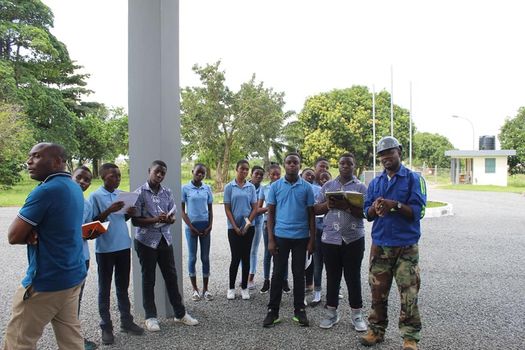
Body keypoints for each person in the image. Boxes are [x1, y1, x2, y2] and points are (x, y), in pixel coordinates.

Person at [4, 143, 87, 350]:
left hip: (46, 282)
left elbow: (13, 236)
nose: (29, 161)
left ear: (58, 161)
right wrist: (33, 232)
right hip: (72, 276)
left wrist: (29, 233)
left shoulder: (46, 191)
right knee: (72, 341)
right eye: (29, 156)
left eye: (37, 156)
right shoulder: (74, 187)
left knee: (18, 342)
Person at [360, 136, 426, 350]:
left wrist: (395, 205)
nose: (385, 157)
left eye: (389, 152)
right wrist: (375, 209)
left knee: (409, 294)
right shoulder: (376, 182)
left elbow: (418, 212)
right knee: (377, 292)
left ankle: (410, 337)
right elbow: (367, 213)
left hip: (406, 247)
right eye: (381, 154)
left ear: (399, 151)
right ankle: (376, 331)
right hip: (380, 246)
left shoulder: (413, 179)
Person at [132, 160, 198, 332]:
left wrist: (169, 219)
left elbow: (173, 214)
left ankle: (180, 314)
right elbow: (135, 220)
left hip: (164, 240)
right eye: (157, 172)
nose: (160, 175)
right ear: (149, 171)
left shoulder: (167, 192)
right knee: (149, 279)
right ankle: (150, 317)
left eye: (163, 173)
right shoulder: (139, 193)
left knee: (171, 277)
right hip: (146, 242)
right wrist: (156, 219)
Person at [89, 163, 144, 345]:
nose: (118, 178)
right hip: (105, 249)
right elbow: (92, 222)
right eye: (114, 175)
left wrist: (129, 213)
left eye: (119, 175)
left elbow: (121, 218)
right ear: (103, 176)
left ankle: (126, 322)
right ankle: (106, 327)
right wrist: (108, 210)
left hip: (123, 246)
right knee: (104, 289)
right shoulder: (96, 196)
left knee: (122, 287)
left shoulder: (121, 194)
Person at [314, 153, 368, 331]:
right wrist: (328, 205)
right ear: (338, 165)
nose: (345, 166)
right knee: (332, 276)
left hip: (354, 239)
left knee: (353, 277)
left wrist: (348, 206)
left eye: (349, 163)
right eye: (342, 163)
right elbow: (315, 209)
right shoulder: (328, 186)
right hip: (330, 239)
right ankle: (331, 313)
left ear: (354, 166)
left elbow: (367, 214)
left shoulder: (361, 187)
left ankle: (357, 315)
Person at [263, 153, 315, 328]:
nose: (292, 165)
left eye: (295, 162)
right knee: (277, 274)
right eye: (289, 162)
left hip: (301, 238)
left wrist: (312, 240)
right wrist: (270, 239)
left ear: (300, 165)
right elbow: (270, 213)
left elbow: (311, 216)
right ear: (285, 165)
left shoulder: (307, 187)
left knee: (299, 274)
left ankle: (299, 310)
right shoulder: (276, 186)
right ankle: (273, 311)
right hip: (280, 237)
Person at [72, 166, 99, 350]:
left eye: (87, 180)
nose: (83, 182)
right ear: (71, 177)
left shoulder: (87, 204)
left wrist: (92, 232)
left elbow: (86, 229)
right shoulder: (60, 200)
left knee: (77, 299)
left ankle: (75, 339)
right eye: (79, 177)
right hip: (65, 257)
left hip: (83, 257)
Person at [223, 159, 258, 300]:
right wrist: (236, 227)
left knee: (246, 257)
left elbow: (255, 208)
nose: (244, 171)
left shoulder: (251, 187)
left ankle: (244, 287)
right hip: (233, 228)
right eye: (242, 168)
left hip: (249, 227)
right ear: (236, 169)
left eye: (246, 169)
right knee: (235, 258)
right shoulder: (229, 187)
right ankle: (231, 288)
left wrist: (246, 225)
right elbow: (227, 208)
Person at [181, 163, 214, 301]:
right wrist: (191, 227)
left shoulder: (207, 188)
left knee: (205, 258)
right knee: (192, 257)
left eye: (203, 173)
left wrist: (210, 226)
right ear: (192, 171)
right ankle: (195, 289)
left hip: (205, 226)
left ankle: (206, 289)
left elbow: (210, 209)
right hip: (191, 228)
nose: (200, 175)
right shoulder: (185, 188)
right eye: (198, 172)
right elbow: (183, 211)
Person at [258, 164, 290, 294]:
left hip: (283, 223)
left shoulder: (286, 186)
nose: (276, 177)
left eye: (278, 174)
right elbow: (258, 208)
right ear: (269, 175)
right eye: (273, 174)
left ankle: (284, 279)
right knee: (268, 252)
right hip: (268, 223)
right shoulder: (264, 188)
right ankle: (266, 280)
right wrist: (270, 207)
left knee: (284, 253)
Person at [247, 165, 265, 290]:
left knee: (253, 250)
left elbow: (257, 210)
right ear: (251, 174)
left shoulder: (262, 189)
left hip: (257, 222)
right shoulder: (245, 187)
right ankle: (244, 275)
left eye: (261, 175)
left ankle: (250, 278)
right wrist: (269, 208)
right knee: (243, 251)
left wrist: (262, 209)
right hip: (243, 222)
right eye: (256, 174)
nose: (258, 176)